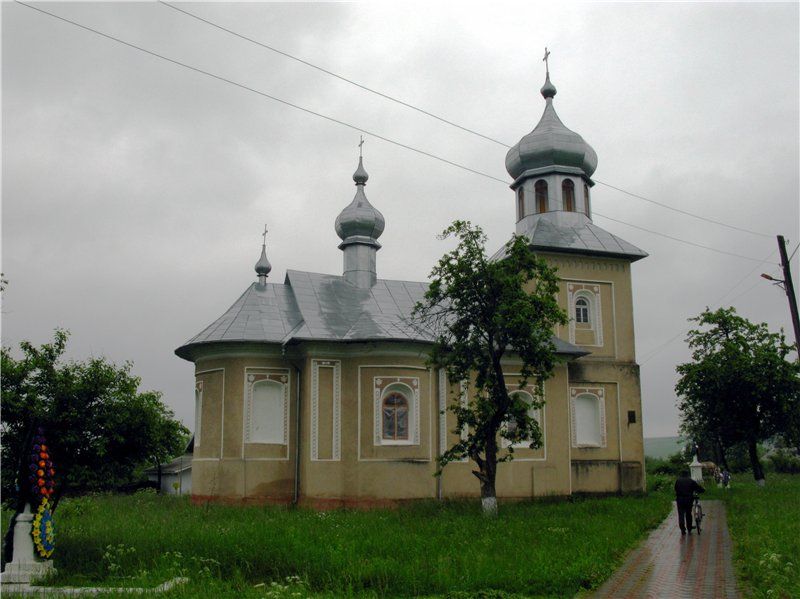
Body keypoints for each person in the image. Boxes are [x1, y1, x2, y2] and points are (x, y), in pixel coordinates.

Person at [675, 469, 704, 535]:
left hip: (679, 499)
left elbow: (675, 489)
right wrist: (703, 490)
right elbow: (698, 488)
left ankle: (682, 528)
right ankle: (689, 528)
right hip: (688, 499)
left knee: (681, 514)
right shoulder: (691, 481)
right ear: (688, 474)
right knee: (688, 513)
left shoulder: (678, 481)